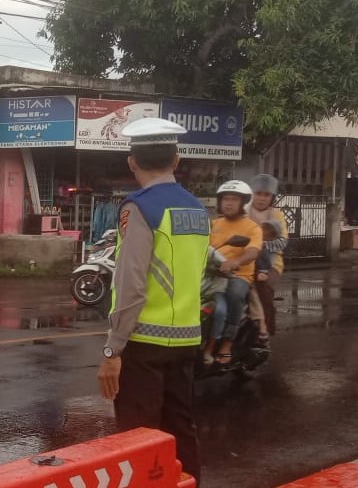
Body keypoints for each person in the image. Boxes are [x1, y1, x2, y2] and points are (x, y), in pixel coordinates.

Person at [96, 117, 209, 484]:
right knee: (180, 429)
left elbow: (130, 284)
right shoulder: (197, 209)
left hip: (144, 344)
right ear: (176, 161)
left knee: (138, 441)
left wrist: (113, 351)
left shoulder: (139, 208)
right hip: (187, 340)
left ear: (132, 162)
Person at [204, 180, 262, 366]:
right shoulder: (213, 224)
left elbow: (253, 251)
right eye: (225, 199)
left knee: (234, 295)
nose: (228, 203)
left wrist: (235, 262)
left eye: (234, 199)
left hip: (237, 276)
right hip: (211, 273)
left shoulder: (252, 227)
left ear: (243, 203)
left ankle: (227, 343)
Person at [247, 174, 289, 337]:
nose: (262, 198)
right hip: (246, 260)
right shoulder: (245, 211)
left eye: (266, 195)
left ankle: (265, 328)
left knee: (263, 289)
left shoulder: (276, 215)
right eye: (258, 193)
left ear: (272, 197)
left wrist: (260, 245)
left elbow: (282, 241)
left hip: (271, 263)